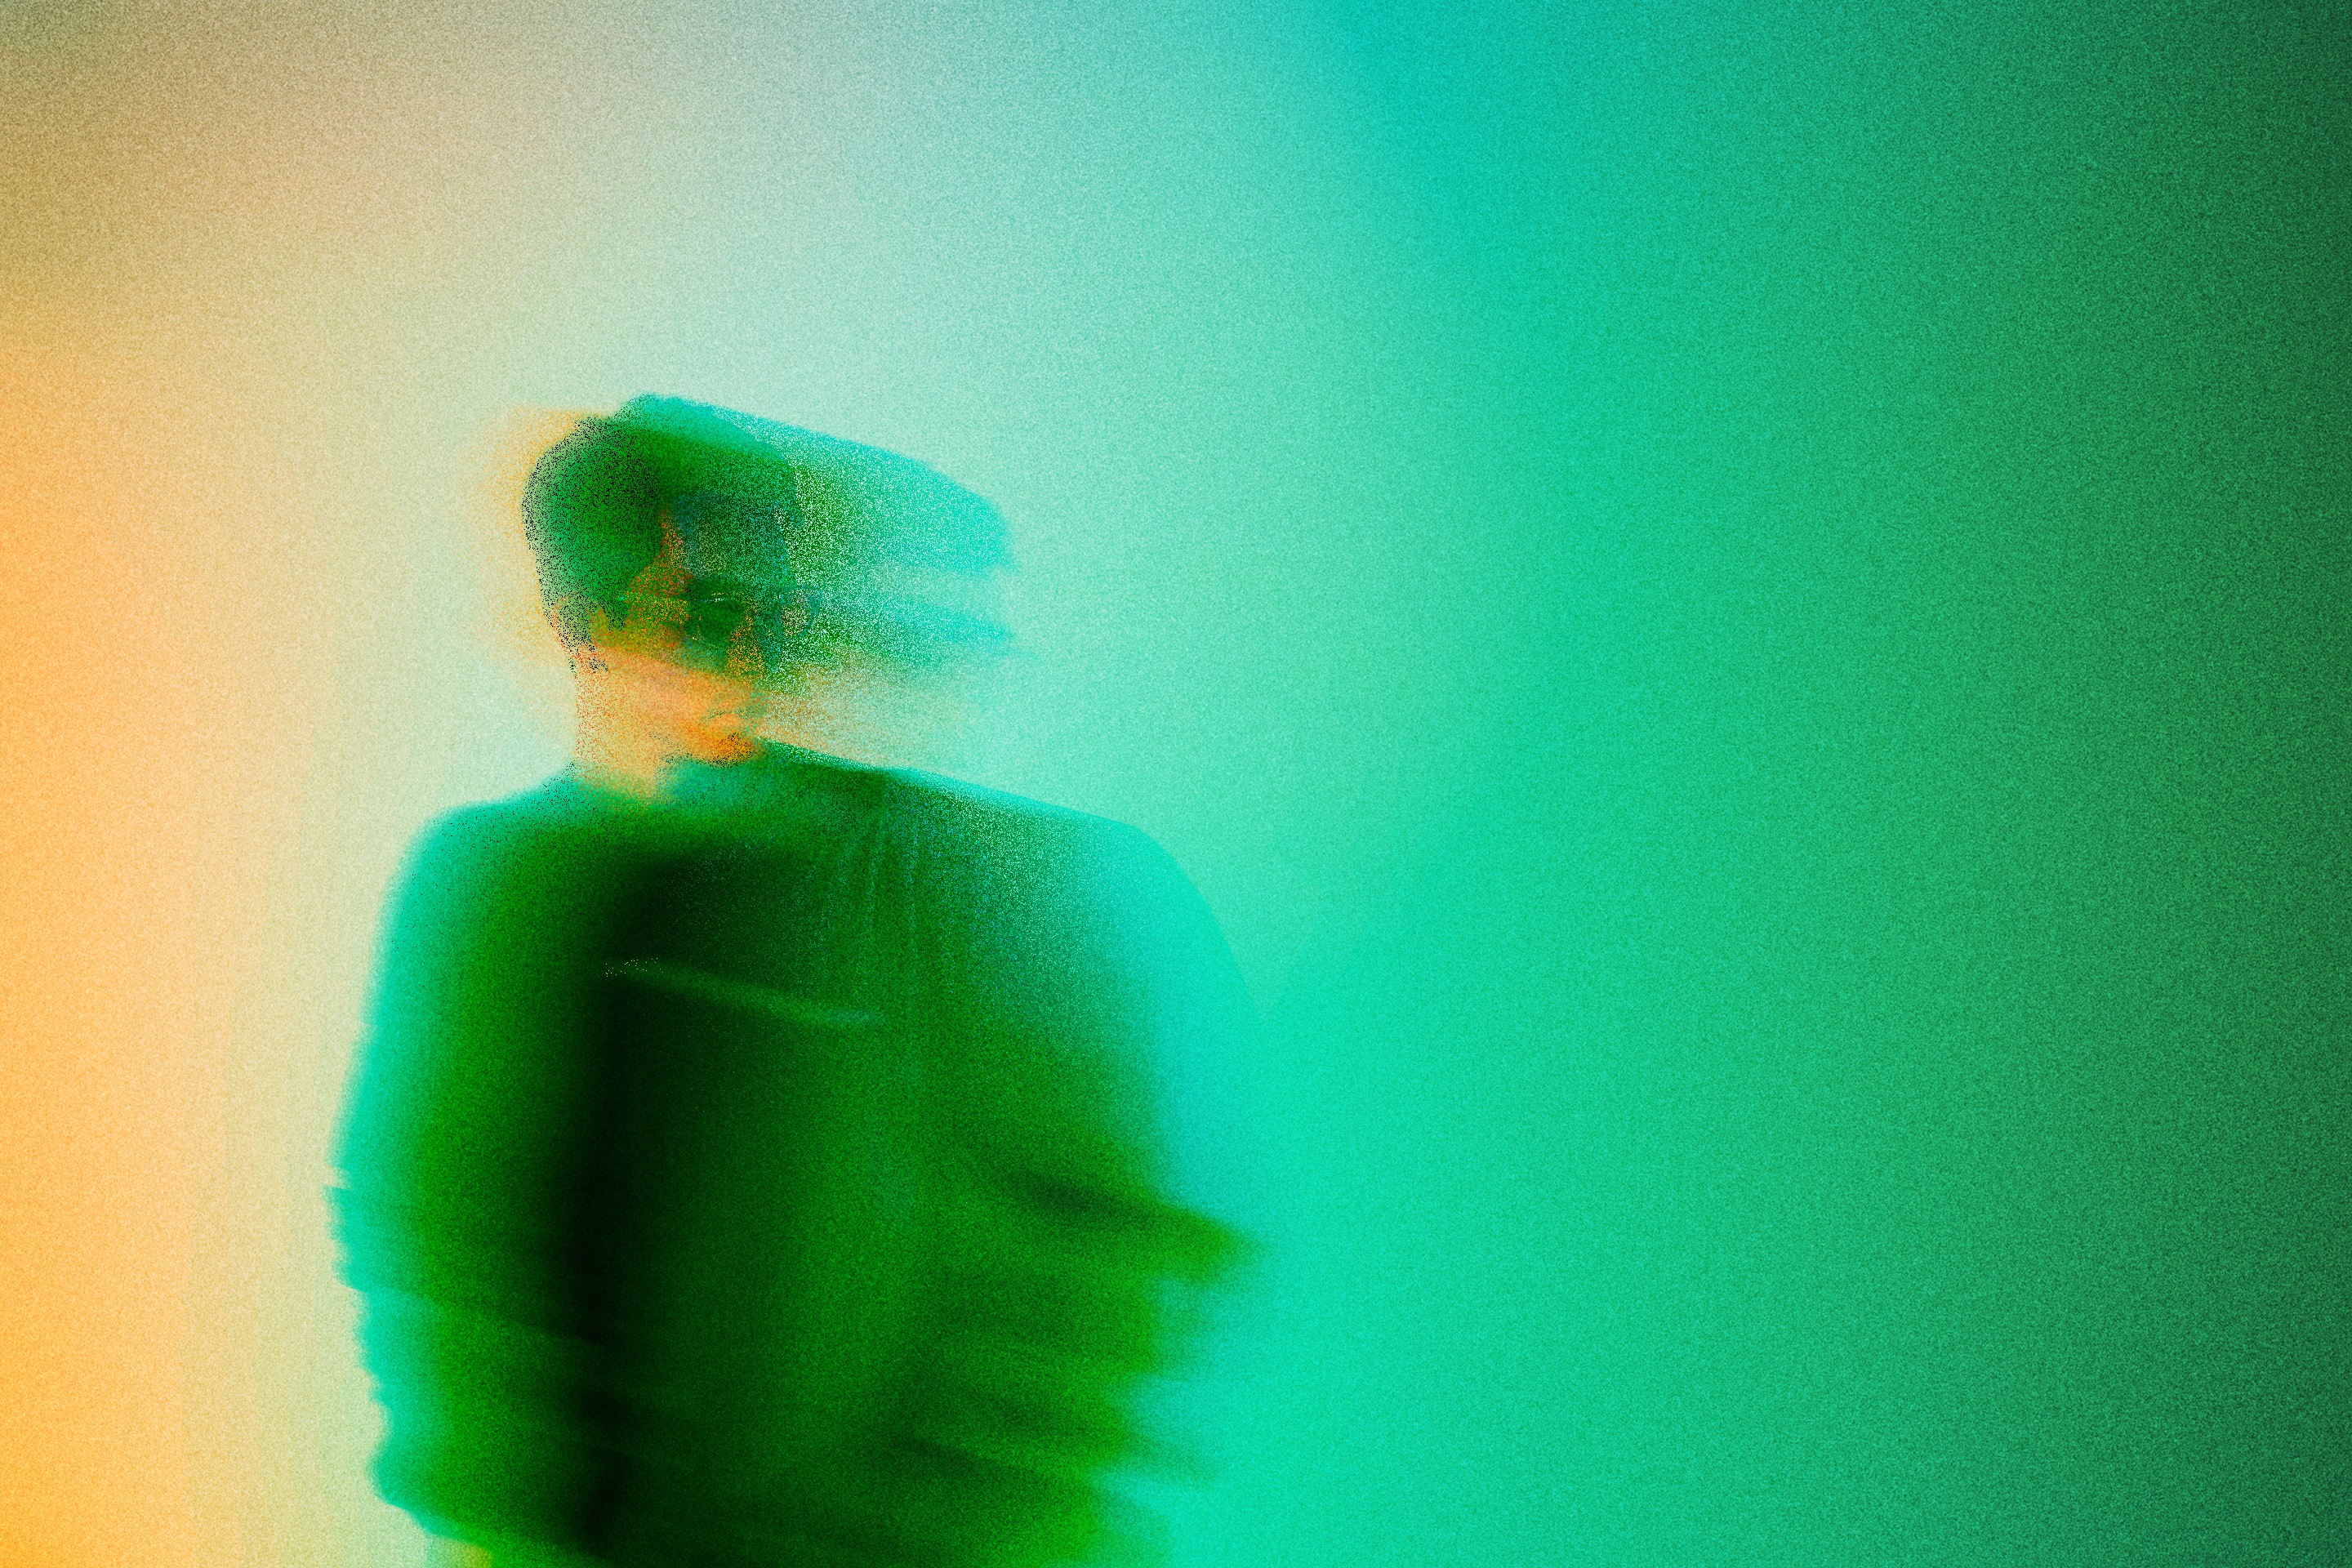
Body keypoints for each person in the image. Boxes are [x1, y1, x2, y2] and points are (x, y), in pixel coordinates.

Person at [329, 398, 1258, 1568]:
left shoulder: (1006, 887)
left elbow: (1136, 1244)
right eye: (693, 612)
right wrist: (516, 1517)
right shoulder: (501, 891)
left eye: (773, 604)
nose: (746, 655)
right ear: (583, 623)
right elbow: (444, 1251)